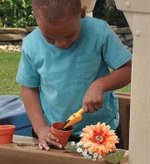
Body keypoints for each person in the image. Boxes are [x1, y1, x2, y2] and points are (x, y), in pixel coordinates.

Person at [16, 0, 132, 151]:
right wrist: (40, 128)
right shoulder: (31, 45)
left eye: (69, 35)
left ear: (82, 13)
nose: (61, 43)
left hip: (101, 132)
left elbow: (128, 69)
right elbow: (29, 88)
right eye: (50, 38)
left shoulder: (99, 32)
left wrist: (100, 85)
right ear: (34, 17)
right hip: (53, 134)